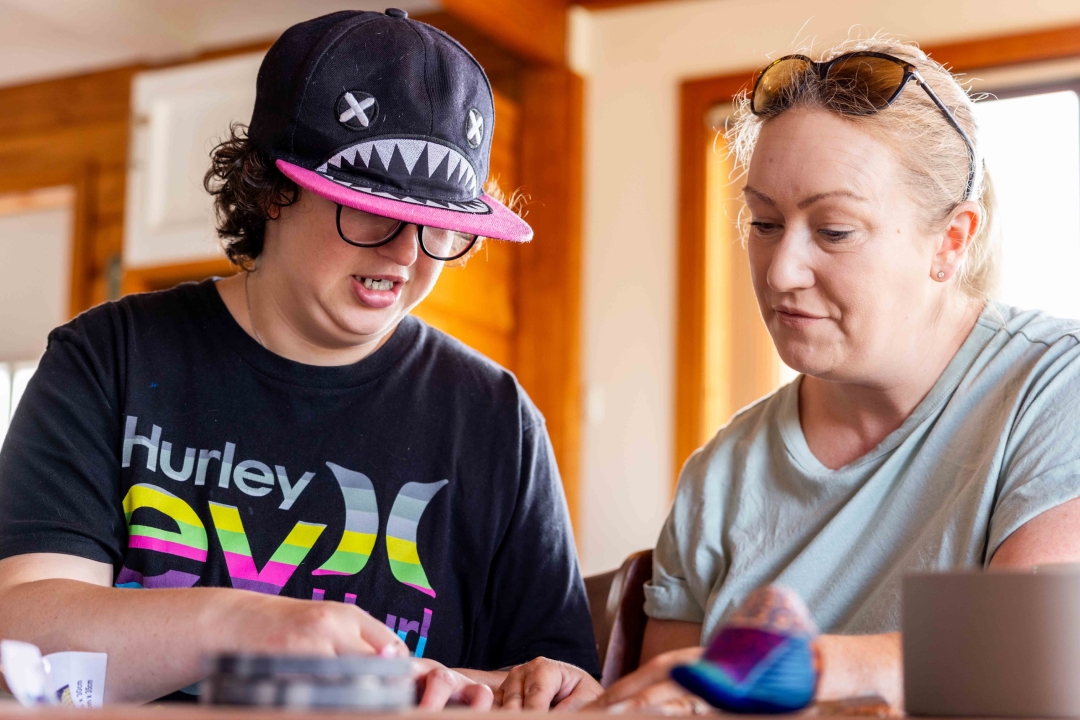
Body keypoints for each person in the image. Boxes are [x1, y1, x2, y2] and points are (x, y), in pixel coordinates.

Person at [0, 9, 601, 709]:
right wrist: (250, 625)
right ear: (269, 188)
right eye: (369, 207)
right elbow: (22, 636)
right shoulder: (110, 358)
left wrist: (519, 688)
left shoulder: (497, 420)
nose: (406, 253)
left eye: (438, 225)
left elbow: (564, 689)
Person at [594, 37, 1080, 713]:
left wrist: (816, 666)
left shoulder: (1052, 387)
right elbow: (661, 704)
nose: (779, 271)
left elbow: (1039, 655)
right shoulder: (721, 476)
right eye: (763, 222)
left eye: (834, 231)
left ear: (952, 242)